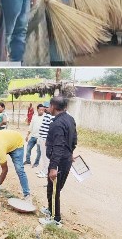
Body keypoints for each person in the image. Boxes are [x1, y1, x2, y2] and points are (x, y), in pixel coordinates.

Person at [42, 96, 77, 227]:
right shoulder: (70, 119)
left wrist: (53, 167)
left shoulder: (56, 124)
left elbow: (58, 146)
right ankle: (50, 210)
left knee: (54, 190)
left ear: (53, 107)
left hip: (59, 162)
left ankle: (55, 219)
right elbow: (74, 140)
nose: (48, 108)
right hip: (65, 159)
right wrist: (70, 153)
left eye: (49, 106)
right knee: (55, 189)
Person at [36, 104, 56, 179]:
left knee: (46, 157)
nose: (45, 109)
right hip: (42, 138)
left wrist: (47, 140)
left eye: (46, 107)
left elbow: (50, 129)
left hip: (45, 139)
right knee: (43, 157)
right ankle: (44, 170)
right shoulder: (46, 115)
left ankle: (46, 172)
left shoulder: (52, 116)